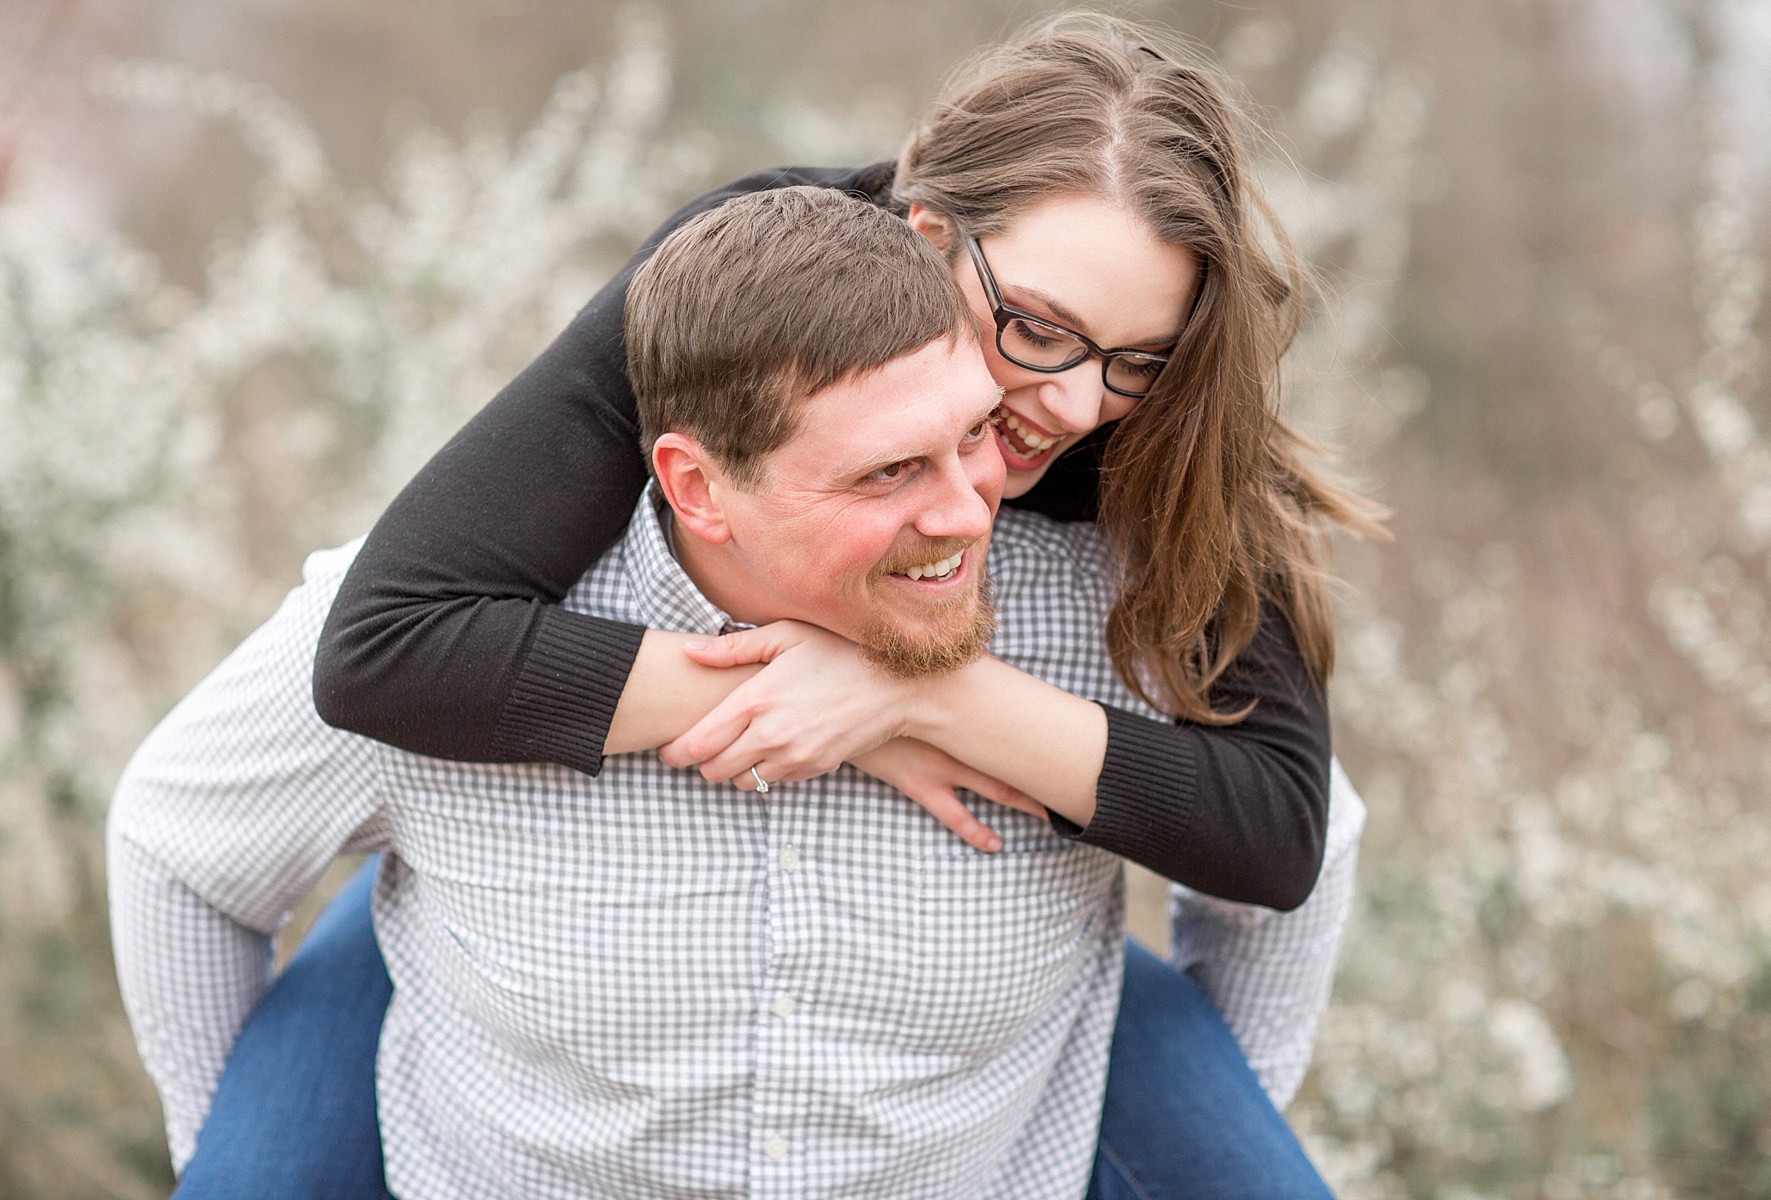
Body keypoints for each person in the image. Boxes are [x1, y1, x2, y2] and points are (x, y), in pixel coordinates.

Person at [111, 185, 1353, 1200]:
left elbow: (1294, 833)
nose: (1048, 427)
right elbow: (190, 835)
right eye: (1033, 330)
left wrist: (932, 697)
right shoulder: (461, 613)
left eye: (1133, 360)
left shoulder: (1118, 585)